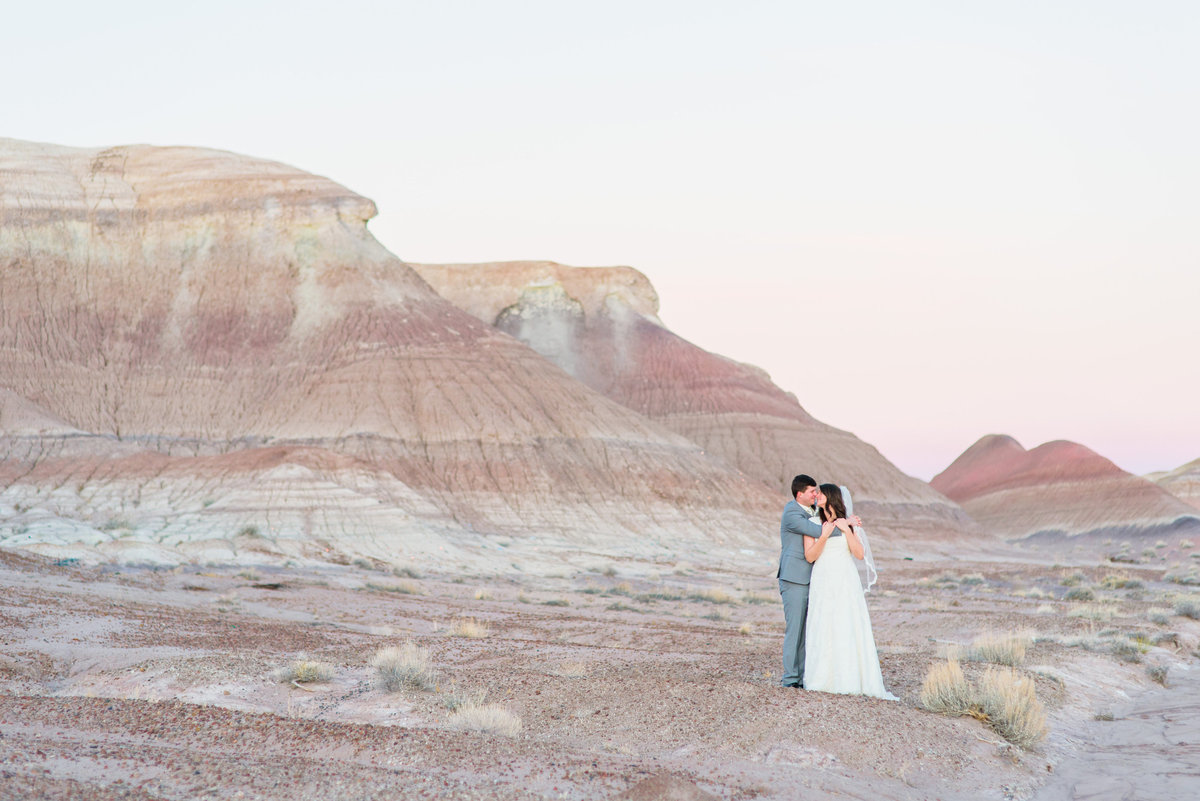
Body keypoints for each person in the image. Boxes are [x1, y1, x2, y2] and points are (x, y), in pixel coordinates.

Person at [802, 483, 896, 700]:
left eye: (821, 493)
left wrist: (846, 529)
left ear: (831, 496)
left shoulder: (850, 524)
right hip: (823, 579)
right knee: (823, 623)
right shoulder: (812, 523)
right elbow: (810, 557)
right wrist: (824, 535)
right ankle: (822, 679)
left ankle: (850, 678)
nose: (817, 496)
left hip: (845, 579)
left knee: (846, 623)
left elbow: (859, 554)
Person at [776, 474, 856, 688]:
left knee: (810, 629)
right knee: (796, 630)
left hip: (816, 579)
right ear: (799, 494)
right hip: (794, 579)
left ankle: (805, 676)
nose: (816, 494)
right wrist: (846, 524)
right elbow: (818, 531)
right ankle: (790, 679)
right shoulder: (791, 513)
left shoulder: (812, 511)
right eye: (812, 491)